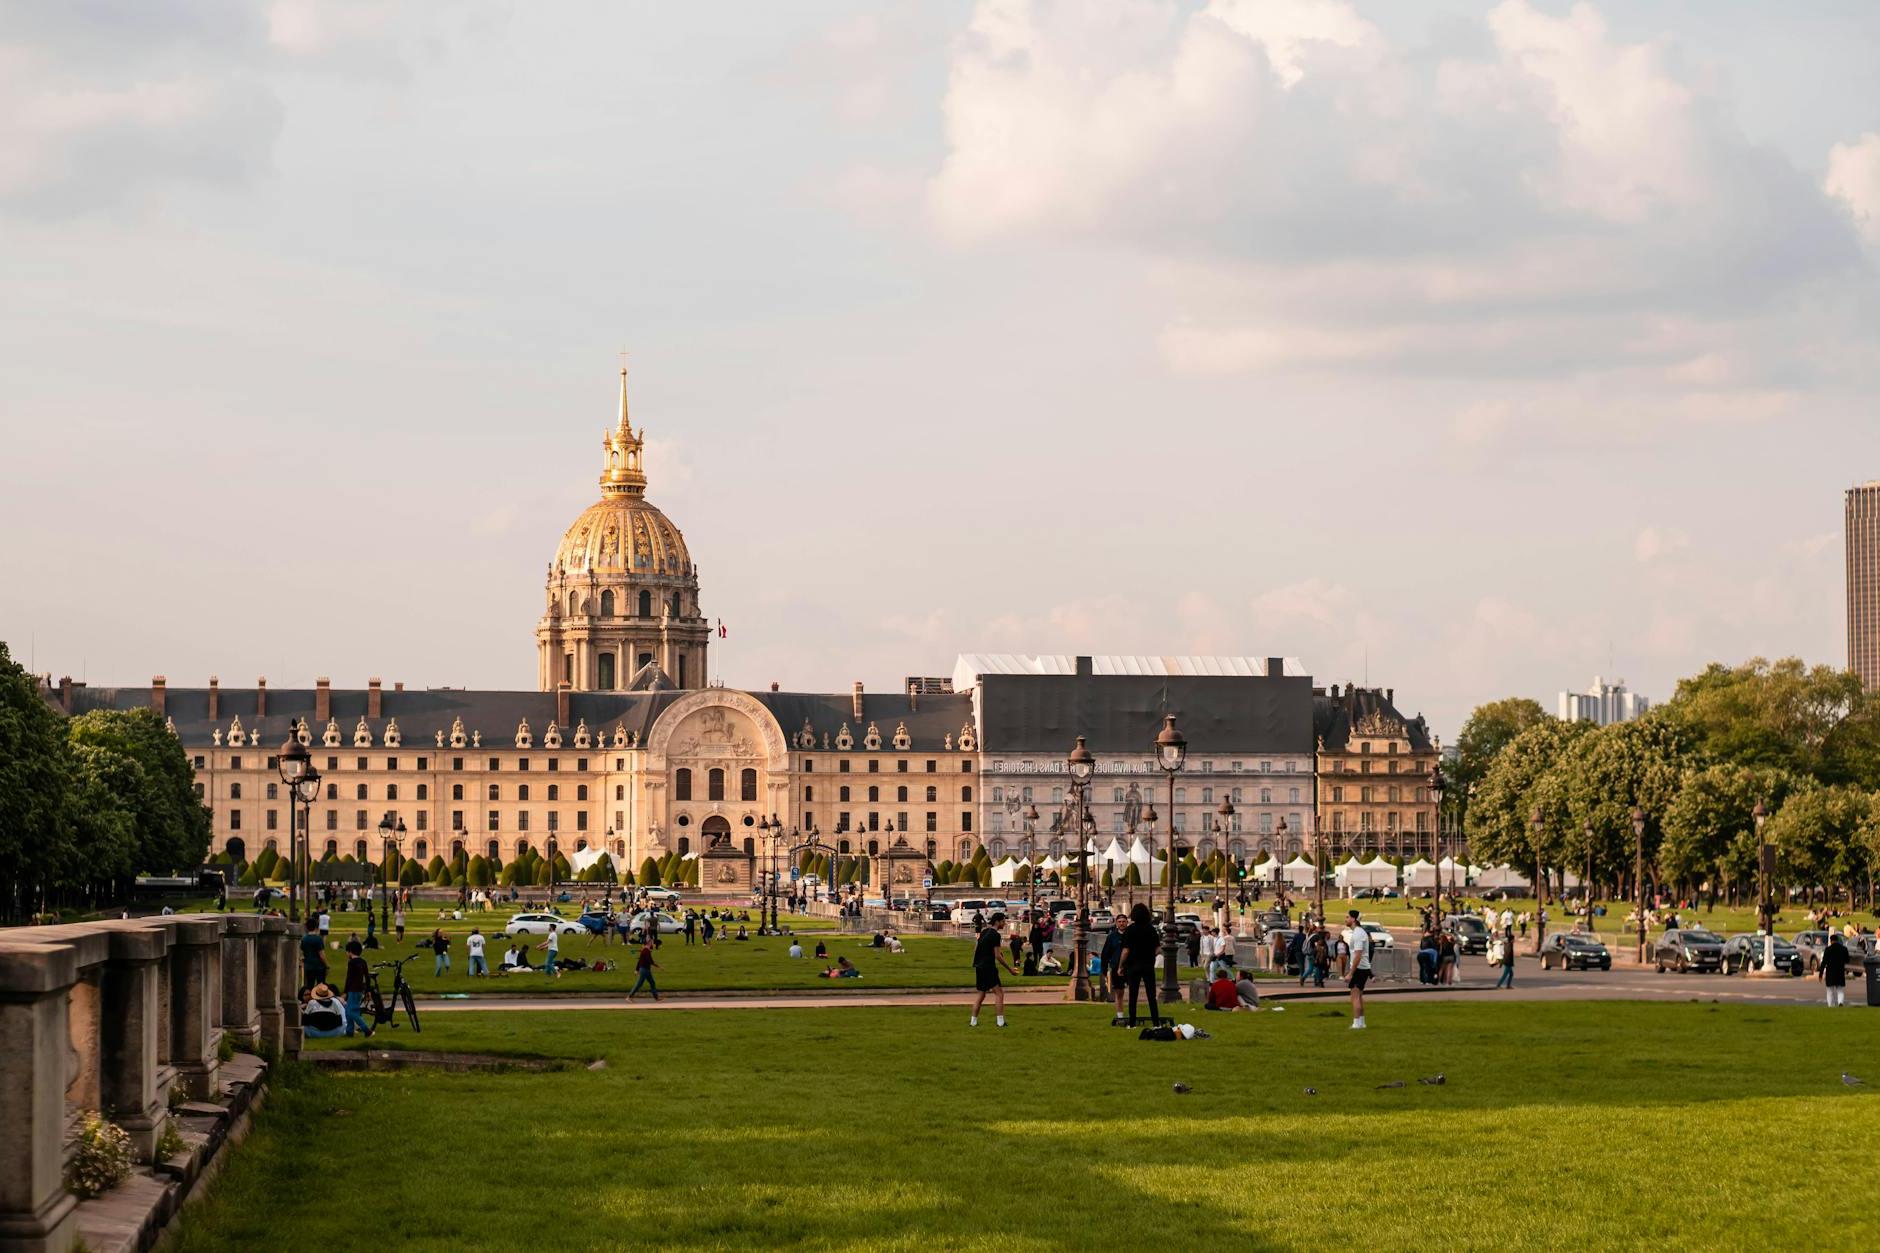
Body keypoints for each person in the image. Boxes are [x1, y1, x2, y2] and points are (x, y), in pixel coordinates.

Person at [1118, 903, 1162, 1027]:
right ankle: (1156, 1022)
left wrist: (1121, 966)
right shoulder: (1151, 929)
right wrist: (1149, 956)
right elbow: (1158, 949)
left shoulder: (1130, 930)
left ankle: (1132, 1023)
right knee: (1151, 995)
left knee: (1133, 995)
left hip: (1133, 965)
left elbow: (1125, 951)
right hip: (1148, 965)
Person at [970, 911, 1016, 1027]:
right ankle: (1000, 1022)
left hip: (979, 966)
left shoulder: (984, 932)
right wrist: (1010, 969)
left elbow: (976, 949)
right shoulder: (996, 935)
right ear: (997, 922)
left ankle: (973, 1022)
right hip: (988, 967)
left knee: (981, 994)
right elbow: (997, 955)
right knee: (999, 993)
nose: (1004, 924)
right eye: (1003, 921)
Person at [1343, 909, 1372, 1030]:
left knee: (1354, 995)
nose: (1346, 919)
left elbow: (1358, 955)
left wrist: (1351, 973)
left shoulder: (1358, 934)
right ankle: (1361, 1022)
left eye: (1347, 917)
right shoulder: (1359, 932)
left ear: (1354, 919)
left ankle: (1356, 1023)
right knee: (1359, 996)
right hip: (1363, 968)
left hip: (1359, 968)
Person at [342, 941, 373, 1037]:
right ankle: (349, 1032)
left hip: (352, 990)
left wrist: (345, 992)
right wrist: (368, 990)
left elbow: (349, 978)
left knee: (351, 1012)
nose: (347, 954)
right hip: (360, 990)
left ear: (350, 951)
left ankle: (366, 1030)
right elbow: (367, 977)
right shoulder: (363, 962)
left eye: (347, 951)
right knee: (349, 1011)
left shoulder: (351, 963)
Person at [1100, 921, 1126, 1008]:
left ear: (1127, 923)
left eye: (1124, 921)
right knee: (1119, 990)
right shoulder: (1112, 937)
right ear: (1116, 923)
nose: (1122, 924)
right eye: (1119, 922)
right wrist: (1104, 967)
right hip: (1115, 966)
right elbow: (1105, 953)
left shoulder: (1130, 935)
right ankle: (1120, 1013)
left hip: (1130, 966)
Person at [300, 918, 328, 995]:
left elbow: (302, 953)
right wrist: (326, 965)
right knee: (321, 987)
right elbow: (321, 954)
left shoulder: (304, 939)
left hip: (309, 966)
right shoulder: (318, 939)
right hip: (319, 966)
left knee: (310, 986)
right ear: (316, 927)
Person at [1821, 934, 1850, 1007]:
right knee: (1840, 990)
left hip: (1830, 972)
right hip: (1840, 971)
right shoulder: (1844, 949)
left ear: (1831, 941)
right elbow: (1847, 960)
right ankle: (1840, 1002)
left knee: (1830, 990)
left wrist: (1820, 973)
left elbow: (1824, 962)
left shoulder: (1828, 949)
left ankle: (1831, 1005)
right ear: (1837, 940)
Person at [1495, 922, 1516, 989]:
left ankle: (1508, 985)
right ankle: (1499, 985)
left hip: (1507, 962)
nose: (1514, 940)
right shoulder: (1509, 946)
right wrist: (1510, 963)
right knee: (1505, 974)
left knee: (1511, 974)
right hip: (1508, 962)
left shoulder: (1508, 944)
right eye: (1513, 939)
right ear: (1512, 940)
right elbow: (1508, 955)